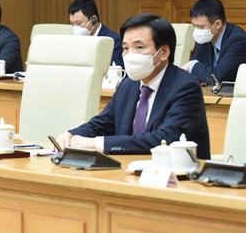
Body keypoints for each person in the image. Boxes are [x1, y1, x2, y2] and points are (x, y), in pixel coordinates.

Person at [56, 13, 210, 159]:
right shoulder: (129, 84)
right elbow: (103, 124)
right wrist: (72, 135)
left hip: (175, 174)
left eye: (139, 48)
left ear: (163, 52)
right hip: (128, 170)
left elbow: (164, 139)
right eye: (125, 48)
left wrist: (97, 144)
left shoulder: (186, 88)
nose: (129, 55)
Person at [182, 0, 246, 83]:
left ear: (218, 24)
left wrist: (191, 65)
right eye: (194, 26)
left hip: (244, 90)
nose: (197, 31)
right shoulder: (205, 39)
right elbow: (196, 70)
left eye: (200, 27)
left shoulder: (239, 40)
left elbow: (218, 75)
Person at [69, 0, 124, 67]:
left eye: (78, 23)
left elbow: (115, 70)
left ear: (93, 20)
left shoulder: (113, 40)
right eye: (72, 23)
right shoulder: (74, 41)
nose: (75, 27)